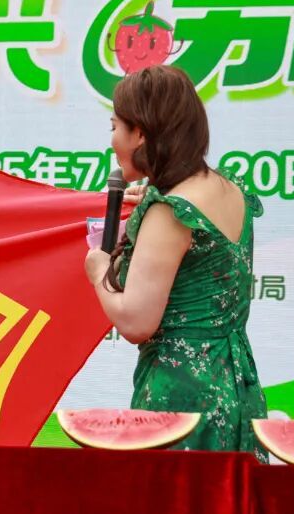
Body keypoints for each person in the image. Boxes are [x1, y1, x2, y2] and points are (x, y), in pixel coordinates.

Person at [83, 65, 268, 462]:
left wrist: (99, 271)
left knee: (180, 502)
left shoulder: (170, 212)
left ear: (140, 133)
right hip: (237, 386)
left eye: (115, 127)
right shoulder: (229, 189)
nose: (112, 140)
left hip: (181, 395)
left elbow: (136, 322)